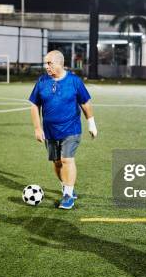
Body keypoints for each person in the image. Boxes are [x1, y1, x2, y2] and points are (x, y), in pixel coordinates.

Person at [29, 50, 97, 209]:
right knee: (57, 162)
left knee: (67, 159)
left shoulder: (74, 81)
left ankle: (68, 194)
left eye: (49, 63)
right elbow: (34, 104)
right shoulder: (42, 81)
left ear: (59, 63)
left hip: (71, 129)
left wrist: (91, 123)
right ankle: (65, 185)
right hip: (50, 131)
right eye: (45, 63)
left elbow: (86, 103)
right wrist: (37, 128)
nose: (46, 66)